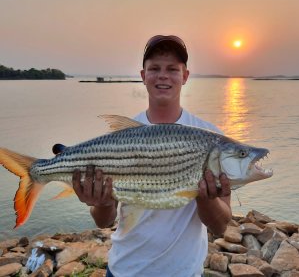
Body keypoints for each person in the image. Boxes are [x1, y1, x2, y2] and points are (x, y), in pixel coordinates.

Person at [72, 35, 232, 277]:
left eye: (172, 69)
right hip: (125, 270)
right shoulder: (123, 136)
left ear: (185, 76)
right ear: (143, 75)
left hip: (184, 272)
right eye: (154, 68)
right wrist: (102, 201)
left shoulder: (211, 139)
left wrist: (205, 197)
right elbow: (103, 222)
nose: (163, 75)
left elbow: (220, 226)